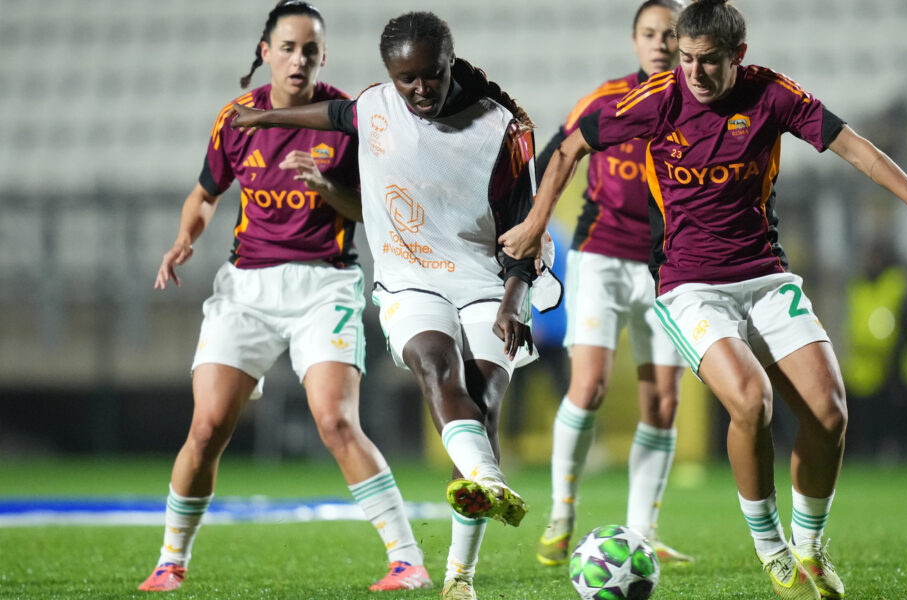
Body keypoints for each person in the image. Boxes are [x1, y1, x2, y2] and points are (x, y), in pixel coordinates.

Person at [499, 1, 907, 598]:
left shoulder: (771, 94)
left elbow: (852, 145)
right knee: (750, 401)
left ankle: (809, 546)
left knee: (830, 413)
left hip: (766, 278)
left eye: (708, 62)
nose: (695, 74)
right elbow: (571, 147)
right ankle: (771, 547)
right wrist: (535, 224)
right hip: (687, 287)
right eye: (686, 60)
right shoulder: (656, 99)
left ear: (739, 57)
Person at [229, 11, 560, 600]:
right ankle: (487, 478)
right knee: (436, 365)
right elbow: (333, 115)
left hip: (489, 281)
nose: (419, 90)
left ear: (449, 63)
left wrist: (514, 300)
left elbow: (523, 231)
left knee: (482, 405)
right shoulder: (377, 104)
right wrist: (265, 115)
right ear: (390, 74)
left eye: (431, 76)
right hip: (409, 280)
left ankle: (460, 576)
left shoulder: (501, 129)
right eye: (406, 79)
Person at [138, 1, 430, 593]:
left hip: (325, 283)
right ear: (265, 52)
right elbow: (204, 194)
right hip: (246, 287)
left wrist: (327, 188)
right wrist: (182, 239)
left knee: (335, 420)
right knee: (207, 426)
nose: (300, 58)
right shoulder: (237, 119)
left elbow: (375, 216)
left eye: (311, 49)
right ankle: (171, 562)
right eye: (289, 47)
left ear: (324, 56)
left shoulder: (348, 120)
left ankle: (407, 560)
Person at [533, 0, 693, 568]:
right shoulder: (605, 100)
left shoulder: (698, 107)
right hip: (599, 256)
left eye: (670, 35)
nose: (660, 44)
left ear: (684, 42)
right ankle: (561, 512)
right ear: (635, 41)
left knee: (663, 401)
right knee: (590, 386)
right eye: (650, 34)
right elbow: (555, 155)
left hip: (664, 267)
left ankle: (642, 534)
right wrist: (534, 224)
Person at [842, 242, 907, 460]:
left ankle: (902, 457)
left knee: (899, 415)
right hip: (865, 364)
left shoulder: (896, 284)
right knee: (868, 417)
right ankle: (871, 454)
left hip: (895, 362)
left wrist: (897, 358)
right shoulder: (858, 285)